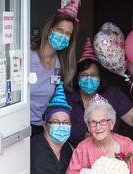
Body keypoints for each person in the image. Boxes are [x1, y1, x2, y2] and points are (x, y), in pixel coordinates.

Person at [31, 82, 115, 174]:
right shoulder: (38, 148)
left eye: (65, 123)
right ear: (45, 125)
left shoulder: (66, 149)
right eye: (56, 122)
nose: (61, 126)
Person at [65, 38, 133, 147]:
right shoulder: (69, 99)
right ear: (77, 78)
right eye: (84, 75)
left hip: (110, 154)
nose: (89, 79)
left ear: (100, 77)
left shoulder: (113, 94)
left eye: (93, 75)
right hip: (75, 153)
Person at [30, 1, 80, 135]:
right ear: (49, 29)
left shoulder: (62, 65)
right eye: (59, 30)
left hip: (41, 128)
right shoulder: (28, 55)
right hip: (17, 126)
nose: (62, 36)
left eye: (68, 34)